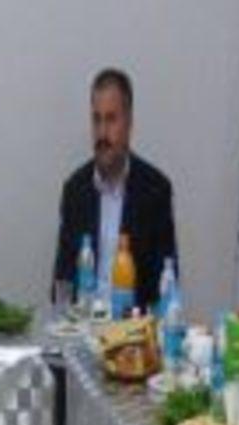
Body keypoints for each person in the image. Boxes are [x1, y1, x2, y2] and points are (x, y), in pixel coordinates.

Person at [53, 68, 177, 312]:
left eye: (111, 119)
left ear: (129, 124)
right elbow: (62, 285)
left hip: (132, 329)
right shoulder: (75, 190)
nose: (102, 133)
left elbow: (165, 288)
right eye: (96, 119)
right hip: (84, 327)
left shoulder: (155, 191)